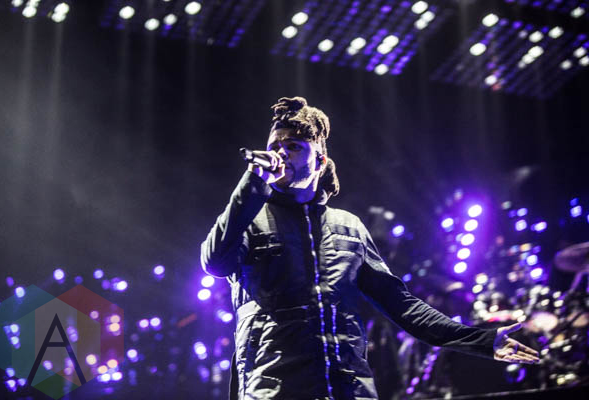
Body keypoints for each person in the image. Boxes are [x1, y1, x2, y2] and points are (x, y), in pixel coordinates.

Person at [201, 97, 539, 400]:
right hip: (274, 388)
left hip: (349, 388)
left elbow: (401, 306)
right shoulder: (249, 217)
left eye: (294, 147)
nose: (281, 154)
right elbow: (214, 262)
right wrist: (253, 183)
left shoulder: (348, 227)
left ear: (320, 162)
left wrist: (482, 340)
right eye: (275, 146)